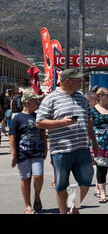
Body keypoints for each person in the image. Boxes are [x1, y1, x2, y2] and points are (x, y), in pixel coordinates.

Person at [36, 68, 99, 214]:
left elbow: (89, 121)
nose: (81, 81)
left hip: (82, 148)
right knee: (61, 186)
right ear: (68, 81)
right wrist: (62, 123)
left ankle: (74, 207)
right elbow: (39, 123)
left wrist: (94, 143)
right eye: (78, 79)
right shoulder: (50, 98)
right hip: (61, 150)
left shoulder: (82, 98)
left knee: (86, 182)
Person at [8, 89, 47, 214]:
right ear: (28, 102)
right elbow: (12, 136)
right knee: (25, 179)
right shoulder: (17, 118)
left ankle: (37, 197)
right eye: (35, 100)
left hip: (37, 152)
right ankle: (27, 205)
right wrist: (13, 154)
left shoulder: (38, 116)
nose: (38, 102)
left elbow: (43, 134)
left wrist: (45, 148)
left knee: (38, 176)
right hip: (23, 153)